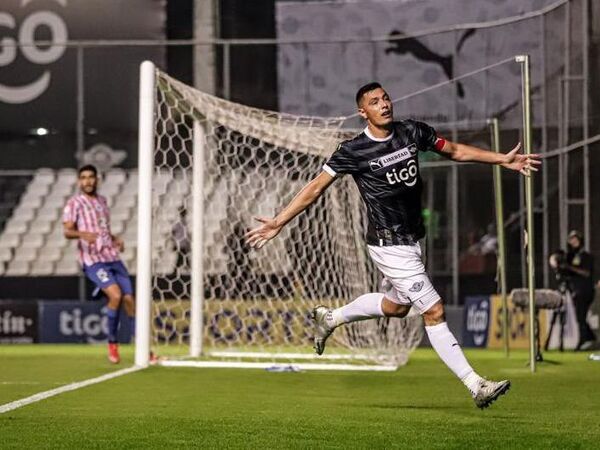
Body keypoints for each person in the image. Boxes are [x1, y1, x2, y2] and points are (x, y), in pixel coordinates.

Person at [246, 82, 542, 408]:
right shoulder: (353, 150)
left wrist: (500, 159)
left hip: (413, 240)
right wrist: (278, 221)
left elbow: (455, 150)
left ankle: (330, 318)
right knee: (434, 310)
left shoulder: (412, 132)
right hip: (389, 246)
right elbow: (315, 188)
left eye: (385, 98)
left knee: (397, 308)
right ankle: (476, 384)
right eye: (375, 101)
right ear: (363, 112)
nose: (384, 104)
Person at [63, 165, 135, 364]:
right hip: (92, 260)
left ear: (97, 180)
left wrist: (115, 238)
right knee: (116, 295)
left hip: (112, 256)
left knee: (129, 300)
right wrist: (82, 234)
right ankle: (112, 344)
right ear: (79, 181)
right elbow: (67, 231)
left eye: (91, 177)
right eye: (83, 178)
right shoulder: (74, 203)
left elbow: (102, 230)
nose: (87, 181)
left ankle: (143, 347)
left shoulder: (102, 202)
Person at [550, 230, 596, 351]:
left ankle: (584, 340)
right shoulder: (570, 256)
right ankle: (590, 338)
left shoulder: (586, 256)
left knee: (580, 316)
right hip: (575, 289)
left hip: (585, 290)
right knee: (580, 317)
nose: (573, 242)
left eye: (575, 240)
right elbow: (558, 261)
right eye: (571, 240)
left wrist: (570, 268)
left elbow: (586, 273)